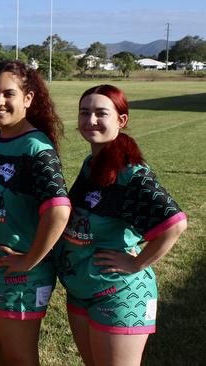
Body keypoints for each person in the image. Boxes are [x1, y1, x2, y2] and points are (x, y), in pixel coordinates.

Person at [57, 84, 187, 366]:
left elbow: (174, 223)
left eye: (100, 113)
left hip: (119, 295)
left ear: (121, 120)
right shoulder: (91, 164)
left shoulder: (131, 172)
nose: (90, 120)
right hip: (83, 291)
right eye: (84, 112)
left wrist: (136, 263)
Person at [0, 60, 71, 365]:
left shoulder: (36, 148)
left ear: (28, 99)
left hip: (19, 275)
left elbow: (59, 210)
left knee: (19, 358)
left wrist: (29, 259)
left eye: (8, 94)